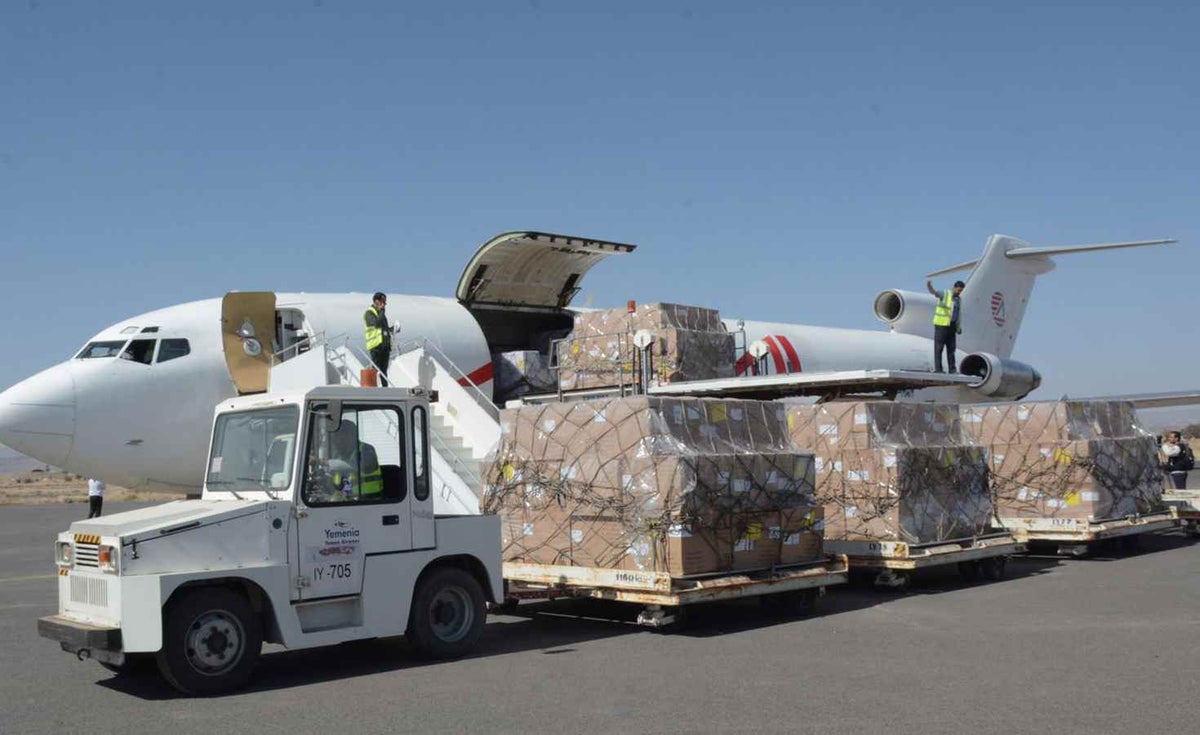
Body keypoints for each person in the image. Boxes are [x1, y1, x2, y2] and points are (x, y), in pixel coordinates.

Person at [926, 278, 965, 374]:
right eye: (959, 290)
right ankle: (938, 369)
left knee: (951, 349)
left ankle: (952, 369)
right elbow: (933, 292)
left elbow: (958, 314)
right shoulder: (945, 294)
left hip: (952, 326)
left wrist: (958, 327)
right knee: (939, 348)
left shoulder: (958, 299)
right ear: (954, 288)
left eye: (961, 291)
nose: (959, 292)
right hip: (941, 325)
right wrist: (929, 285)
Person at [364, 292, 393, 386]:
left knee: (384, 370)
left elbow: (384, 329)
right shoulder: (369, 313)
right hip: (375, 346)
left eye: (385, 302)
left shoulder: (381, 314)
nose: (384, 304)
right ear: (376, 301)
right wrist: (381, 311)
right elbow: (376, 324)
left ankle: (385, 389)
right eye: (382, 302)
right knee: (375, 369)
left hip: (385, 346)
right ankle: (371, 389)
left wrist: (392, 329)